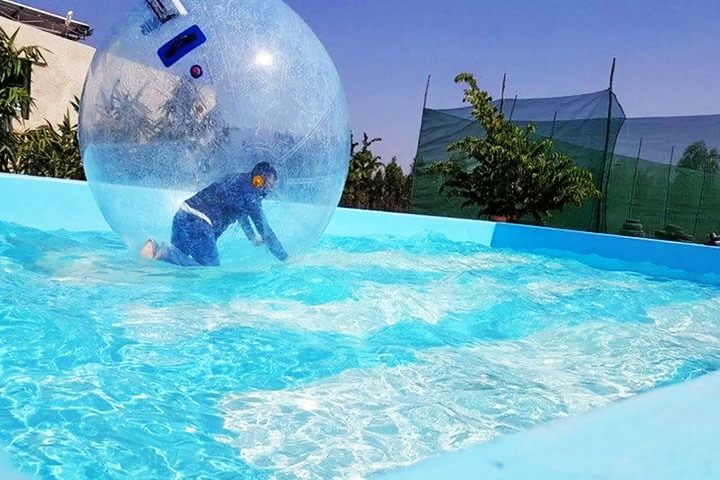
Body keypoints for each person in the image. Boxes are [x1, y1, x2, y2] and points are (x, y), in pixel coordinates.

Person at [141, 161, 288, 266]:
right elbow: (266, 231)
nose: (270, 189)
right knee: (210, 270)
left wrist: (252, 237)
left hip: (182, 215)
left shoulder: (237, 179)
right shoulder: (251, 196)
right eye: (269, 183)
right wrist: (285, 258)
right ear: (259, 179)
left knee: (179, 258)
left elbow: (240, 214)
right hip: (200, 225)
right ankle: (164, 252)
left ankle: (156, 248)